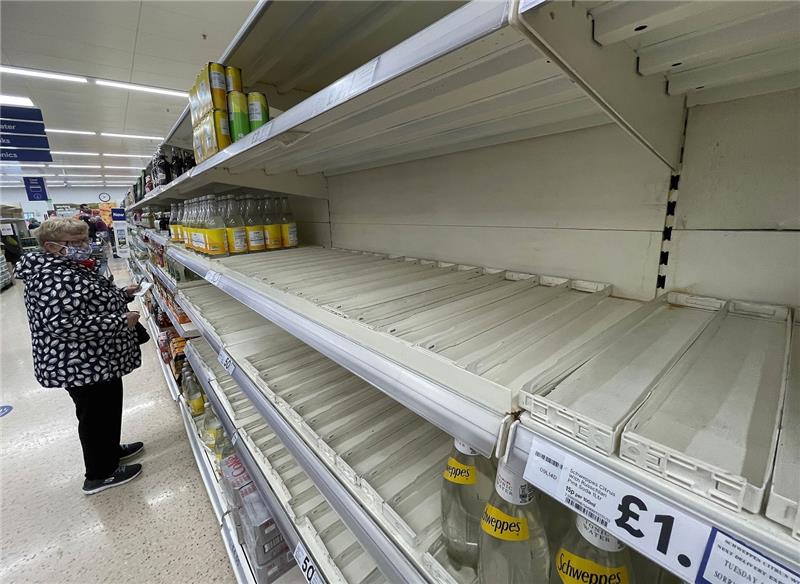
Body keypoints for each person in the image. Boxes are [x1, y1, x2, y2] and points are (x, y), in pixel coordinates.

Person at [15, 217, 145, 495]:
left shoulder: (67, 266)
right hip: (79, 362)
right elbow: (63, 324)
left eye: (84, 240)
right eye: (75, 242)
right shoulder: (51, 275)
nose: (84, 246)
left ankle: (108, 450)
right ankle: (100, 474)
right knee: (96, 415)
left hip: (94, 359)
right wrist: (120, 322)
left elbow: (85, 302)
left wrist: (121, 295)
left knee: (106, 409)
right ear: (51, 246)